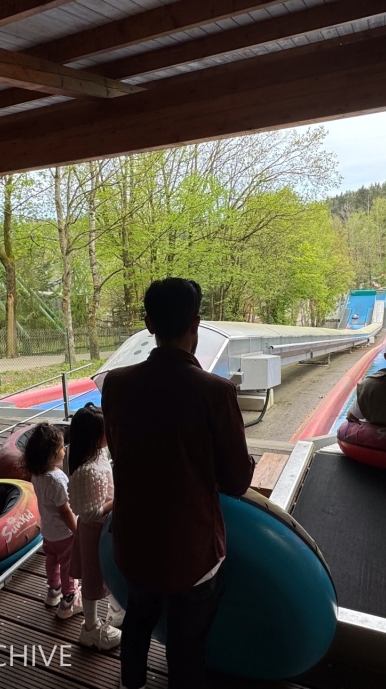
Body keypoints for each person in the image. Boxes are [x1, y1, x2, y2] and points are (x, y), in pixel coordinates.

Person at [102, 278, 254, 689]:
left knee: (139, 617)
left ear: (149, 325)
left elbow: (121, 451)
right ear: (196, 324)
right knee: (187, 643)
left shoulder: (115, 384)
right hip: (192, 551)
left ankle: (130, 683)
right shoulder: (215, 391)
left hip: (133, 542)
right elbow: (237, 481)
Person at [67, 403, 124, 651]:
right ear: (94, 437)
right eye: (105, 431)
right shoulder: (86, 472)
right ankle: (90, 628)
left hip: (104, 528)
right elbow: (89, 513)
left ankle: (114, 609)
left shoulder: (98, 455)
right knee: (92, 582)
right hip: (94, 532)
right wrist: (117, 501)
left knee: (108, 573)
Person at [23, 423, 81, 620]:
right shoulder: (57, 479)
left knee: (52, 560)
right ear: (51, 454)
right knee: (67, 565)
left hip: (48, 531)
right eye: (61, 447)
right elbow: (65, 510)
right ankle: (68, 598)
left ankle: (53, 590)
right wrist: (76, 531)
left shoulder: (36, 475)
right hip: (64, 533)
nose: (64, 450)